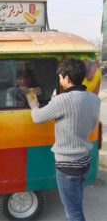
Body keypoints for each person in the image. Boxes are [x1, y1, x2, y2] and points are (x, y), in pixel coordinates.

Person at [26, 58, 100, 221]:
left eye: (60, 77)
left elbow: (38, 118)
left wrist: (33, 104)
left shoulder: (62, 100)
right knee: (75, 203)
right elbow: (92, 123)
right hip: (84, 161)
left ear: (67, 78)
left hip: (67, 165)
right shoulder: (94, 99)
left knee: (73, 212)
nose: (59, 80)